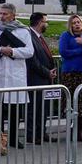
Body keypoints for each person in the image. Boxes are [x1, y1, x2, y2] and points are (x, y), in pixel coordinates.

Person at [0, 4, 33, 149]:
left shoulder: (23, 31)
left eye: (5, 14)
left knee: (15, 110)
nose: (2, 16)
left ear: (13, 15)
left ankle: (13, 138)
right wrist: (0, 50)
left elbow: (29, 51)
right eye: (1, 13)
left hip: (15, 75)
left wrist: (12, 52)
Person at [57, 14, 82, 142]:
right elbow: (64, 52)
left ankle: (79, 130)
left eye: (78, 22)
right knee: (69, 102)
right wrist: (80, 51)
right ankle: (69, 128)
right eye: (73, 23)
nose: (76, 24)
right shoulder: (65, 36)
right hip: (69, 73)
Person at [24, 12, 56, 145]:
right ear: (39, 23)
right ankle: (32, 135)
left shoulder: (39, 37)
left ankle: (42, 132)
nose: (47, 24)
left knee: (43, 108)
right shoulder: (30, 37)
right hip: (36, 78)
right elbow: (33, 61)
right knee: (34, 109)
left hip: (44, 78)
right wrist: (47, 72)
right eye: (45, 22)